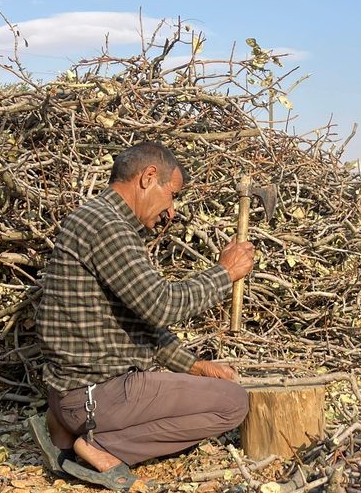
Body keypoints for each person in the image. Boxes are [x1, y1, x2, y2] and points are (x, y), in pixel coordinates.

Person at [28, 142, 255, 490]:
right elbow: (163, 305)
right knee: (233, 403)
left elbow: (139, 321)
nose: (172, 211)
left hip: (73, 395)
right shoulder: (108, 227)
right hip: (95, 395)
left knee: (213, 389)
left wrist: (195, 366)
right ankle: (93, 446)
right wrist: (225, 272)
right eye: (173, 195)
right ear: (149, 177)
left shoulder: (97, 218)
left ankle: (63, 426)